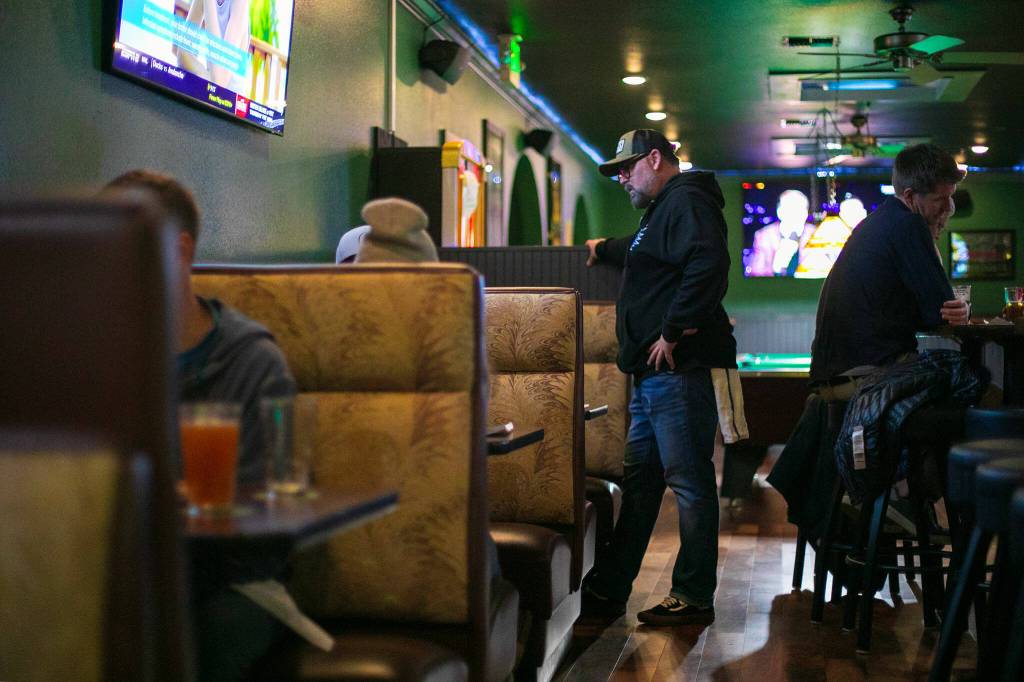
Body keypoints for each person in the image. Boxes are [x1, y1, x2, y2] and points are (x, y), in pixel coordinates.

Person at [103, 170, 299, 681]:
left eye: (126, 250)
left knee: (197, 639)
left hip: (236, 585)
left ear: (180, 251)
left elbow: (264, 519)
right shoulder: (99, 357)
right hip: (126, 579)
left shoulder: (253, 362)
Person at [582, 129, 736, 626]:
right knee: (642, 482)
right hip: (654, 376)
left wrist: (673, 329)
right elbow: (644, 250)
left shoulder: (688, 200)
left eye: (627, 167)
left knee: (689, 483)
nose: (621, 178)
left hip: (679, 369)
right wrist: (605, 246)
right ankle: (609, 586)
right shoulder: (664, 210)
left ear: (655, 158)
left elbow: (709, 263)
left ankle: (693, 596)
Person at [810, 143, 969, 398]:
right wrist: (957, 309)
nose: (947, 207)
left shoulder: (876, 222)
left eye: (950, 197)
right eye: (939, 199)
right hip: (868, 379)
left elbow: (924, 311)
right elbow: (941, 314)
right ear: (909, 196)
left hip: (834, 380)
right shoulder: (909, 223)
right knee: (974, 378)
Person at [746, 189, 815, 277]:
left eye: (800, 208)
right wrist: (775, 267)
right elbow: (756, 273)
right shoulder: (764, 236)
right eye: (790, 209)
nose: (795, 214)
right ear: (779, 212)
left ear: (806, 213)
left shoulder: (815, 234)